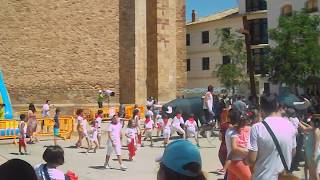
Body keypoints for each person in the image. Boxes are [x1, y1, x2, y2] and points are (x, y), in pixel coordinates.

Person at [246, 94, 297, 180]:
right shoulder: (290, 125)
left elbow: (251, 160)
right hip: (283, 176)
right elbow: (293, 151)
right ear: (277, 106)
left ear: (261, 108)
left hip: (262, 177)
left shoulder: (257, 128)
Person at [225, 109, 251, 180]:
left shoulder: (230, 130)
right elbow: (235, 148)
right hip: (238, 161)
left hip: (231, 162)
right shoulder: (234, 132)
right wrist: (247, 151)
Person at [305, 115, 320, 180]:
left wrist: (314, 154)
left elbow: (317, 143)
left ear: (313, 122)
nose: (310, 122)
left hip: (313, 153)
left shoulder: (316, 130)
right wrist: (299, 122)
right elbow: (306, 128)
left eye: (311, 121)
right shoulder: (314, 129)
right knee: (311, 171)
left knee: (314, 172)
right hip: (311, 152)